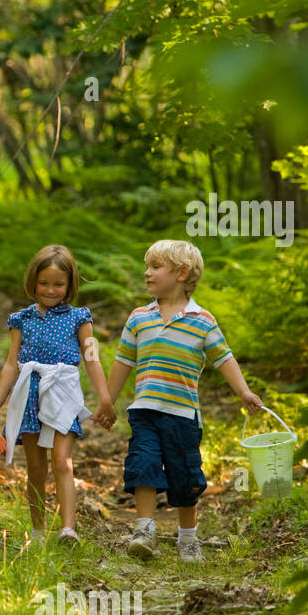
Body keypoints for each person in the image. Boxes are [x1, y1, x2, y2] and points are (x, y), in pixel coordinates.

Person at [106, 239, 263, 562]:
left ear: (182, 273)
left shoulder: (202, 321)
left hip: (182, 415)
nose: (147, 273)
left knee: (185, 476)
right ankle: (145, 531)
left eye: (155, 267)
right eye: (147, 267)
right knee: (143, 465)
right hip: (144, 411)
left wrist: (244, 392)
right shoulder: (139, 318)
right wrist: (107, 401)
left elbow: (224, 359)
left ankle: (187, 538)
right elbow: (123, 363)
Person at [0, 245, 115, 547]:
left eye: (58, 284)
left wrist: (104, 398)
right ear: (33, 282)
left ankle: (69, 528)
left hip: (64, 392)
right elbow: (10, 363)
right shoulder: (22, 319)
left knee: (62, 461)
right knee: (36, 467)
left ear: (69, 285)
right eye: (44, 283)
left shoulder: (80, 318)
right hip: (28, 393)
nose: (51, 290)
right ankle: (39, 528)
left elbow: (92, 357)